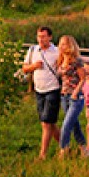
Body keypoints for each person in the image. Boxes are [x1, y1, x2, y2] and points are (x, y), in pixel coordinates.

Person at [22, 26, 61, 160]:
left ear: (50, 37)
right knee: (48, 123)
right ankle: (65, 145)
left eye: (44, 36)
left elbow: (64, 66)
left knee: (46, 122)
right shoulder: (33, 50)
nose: (41, 39)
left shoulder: (56, 51)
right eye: (39, 37)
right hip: (39, 90)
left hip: (53, 89)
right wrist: (34, 66)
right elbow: (24, 68)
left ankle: (42, 154)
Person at [56, 35, 87, 158]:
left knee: (66, 125)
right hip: (64, 96)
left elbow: (83, 78)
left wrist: (76, 92)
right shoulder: (60, 60)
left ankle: (64, 150)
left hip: (75, 97)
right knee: (75, 124)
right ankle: (84, 148)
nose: (62, 46)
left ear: (70, 45)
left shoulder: (76, 61)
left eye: (64, 44)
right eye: (61, 44)